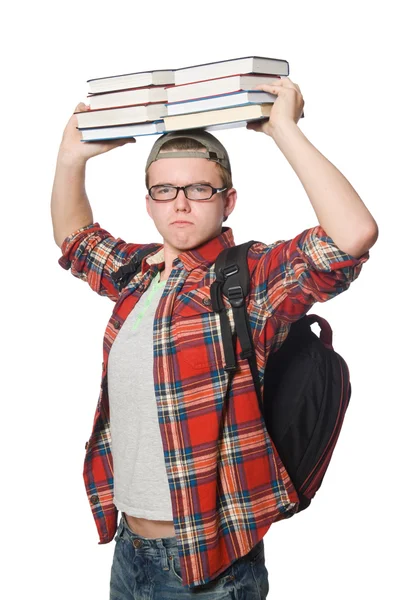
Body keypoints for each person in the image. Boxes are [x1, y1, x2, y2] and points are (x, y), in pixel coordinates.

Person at [51, 78, 378, 599]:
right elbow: (77, 241)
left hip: (206, 565)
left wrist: (283, 130)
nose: (181, 202)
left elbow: (350, 237)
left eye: (199, 189)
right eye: (166, 190)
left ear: (227, 201)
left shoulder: (249, 279)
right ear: (150, 202)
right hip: (129, 551)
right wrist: (71, 159)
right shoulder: (141, 274)